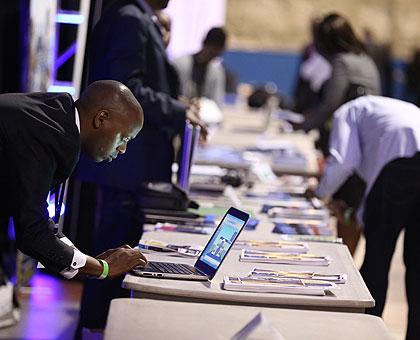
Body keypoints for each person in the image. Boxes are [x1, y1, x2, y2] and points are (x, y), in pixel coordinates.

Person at [74, 0, 207, 335]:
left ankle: (103, 328)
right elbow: (123, 93)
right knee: (113, 256)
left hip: (132, 167)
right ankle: (95, 329)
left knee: (121, 256)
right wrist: (175, 111)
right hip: (127, 166)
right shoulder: (131, 20)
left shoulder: (138, 18)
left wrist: (176, 105)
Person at [0, 80, 147, 281]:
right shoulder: (49, 134)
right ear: (101, 118)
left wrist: (87, 262)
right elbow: (32, 234)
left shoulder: (57, 117)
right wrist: (103, 268)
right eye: (124, 138)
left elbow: (39, 226)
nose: (122, 149)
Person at [311, 95, 420, 340]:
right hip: (404, 165)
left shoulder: (346, 112)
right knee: (417, 265)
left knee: (377, 260)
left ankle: (366, 333)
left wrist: (318, 197)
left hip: (399, 168)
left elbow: (343, 163)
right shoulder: (381, 109)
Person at [292, 13, 381, 255]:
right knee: (352, 210)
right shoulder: (366, 59)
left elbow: (331, 104)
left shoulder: (343, 62)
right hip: (369, 147)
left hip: (350, 145)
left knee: (344, 209)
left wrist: (304, 126)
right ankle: (347, 260)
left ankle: (344, 263)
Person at [173, 27, 227, 108]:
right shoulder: (179, 64)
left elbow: (217, 103)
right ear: (204, 44)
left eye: (216, 55)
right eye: (211, 52)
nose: (212, 57)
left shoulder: (216, 71)